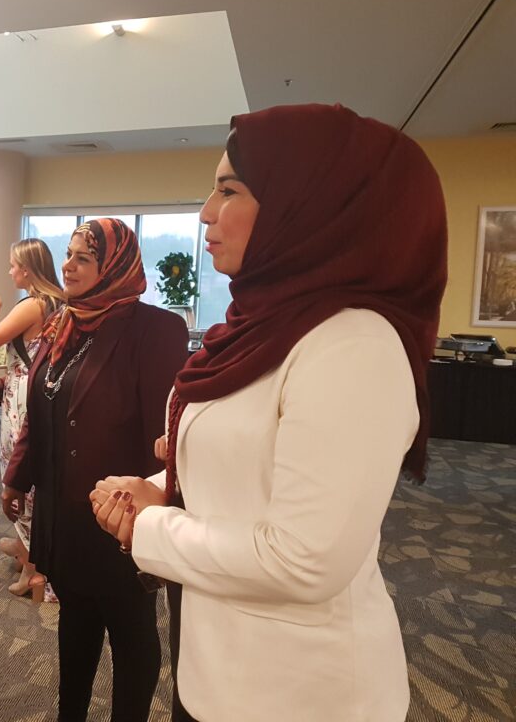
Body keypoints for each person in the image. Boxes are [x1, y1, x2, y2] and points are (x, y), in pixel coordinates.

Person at [92, 104, 448, 721]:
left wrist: (148, 528)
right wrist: (154, 487)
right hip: (217, 670)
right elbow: (243, 477)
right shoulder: (257, 325)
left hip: (301, 693)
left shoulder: (353, 345)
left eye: (228, 190)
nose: (206, 211)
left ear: (307, 205)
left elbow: (304, 558)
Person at [2, 218, 189, 722]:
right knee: (76, 620)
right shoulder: (64, 322)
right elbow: (41, 408)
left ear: (116, 267)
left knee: (131, 631)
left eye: (84, 257)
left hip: (121, 517)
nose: (68, 265)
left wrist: (157, 507)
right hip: (65, 512)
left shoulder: (154, 329)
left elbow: (166, 436)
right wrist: (17, 475)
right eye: (68, 254)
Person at [0, 239, 64, 600]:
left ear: (28, 269)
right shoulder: (56, 302)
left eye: (14, 265)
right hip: (27, 389)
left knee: (19, 475)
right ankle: (24, 547)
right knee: (26, 474)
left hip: (24, 400)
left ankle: (33, 568)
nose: (10, 271)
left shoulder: (34, 303)